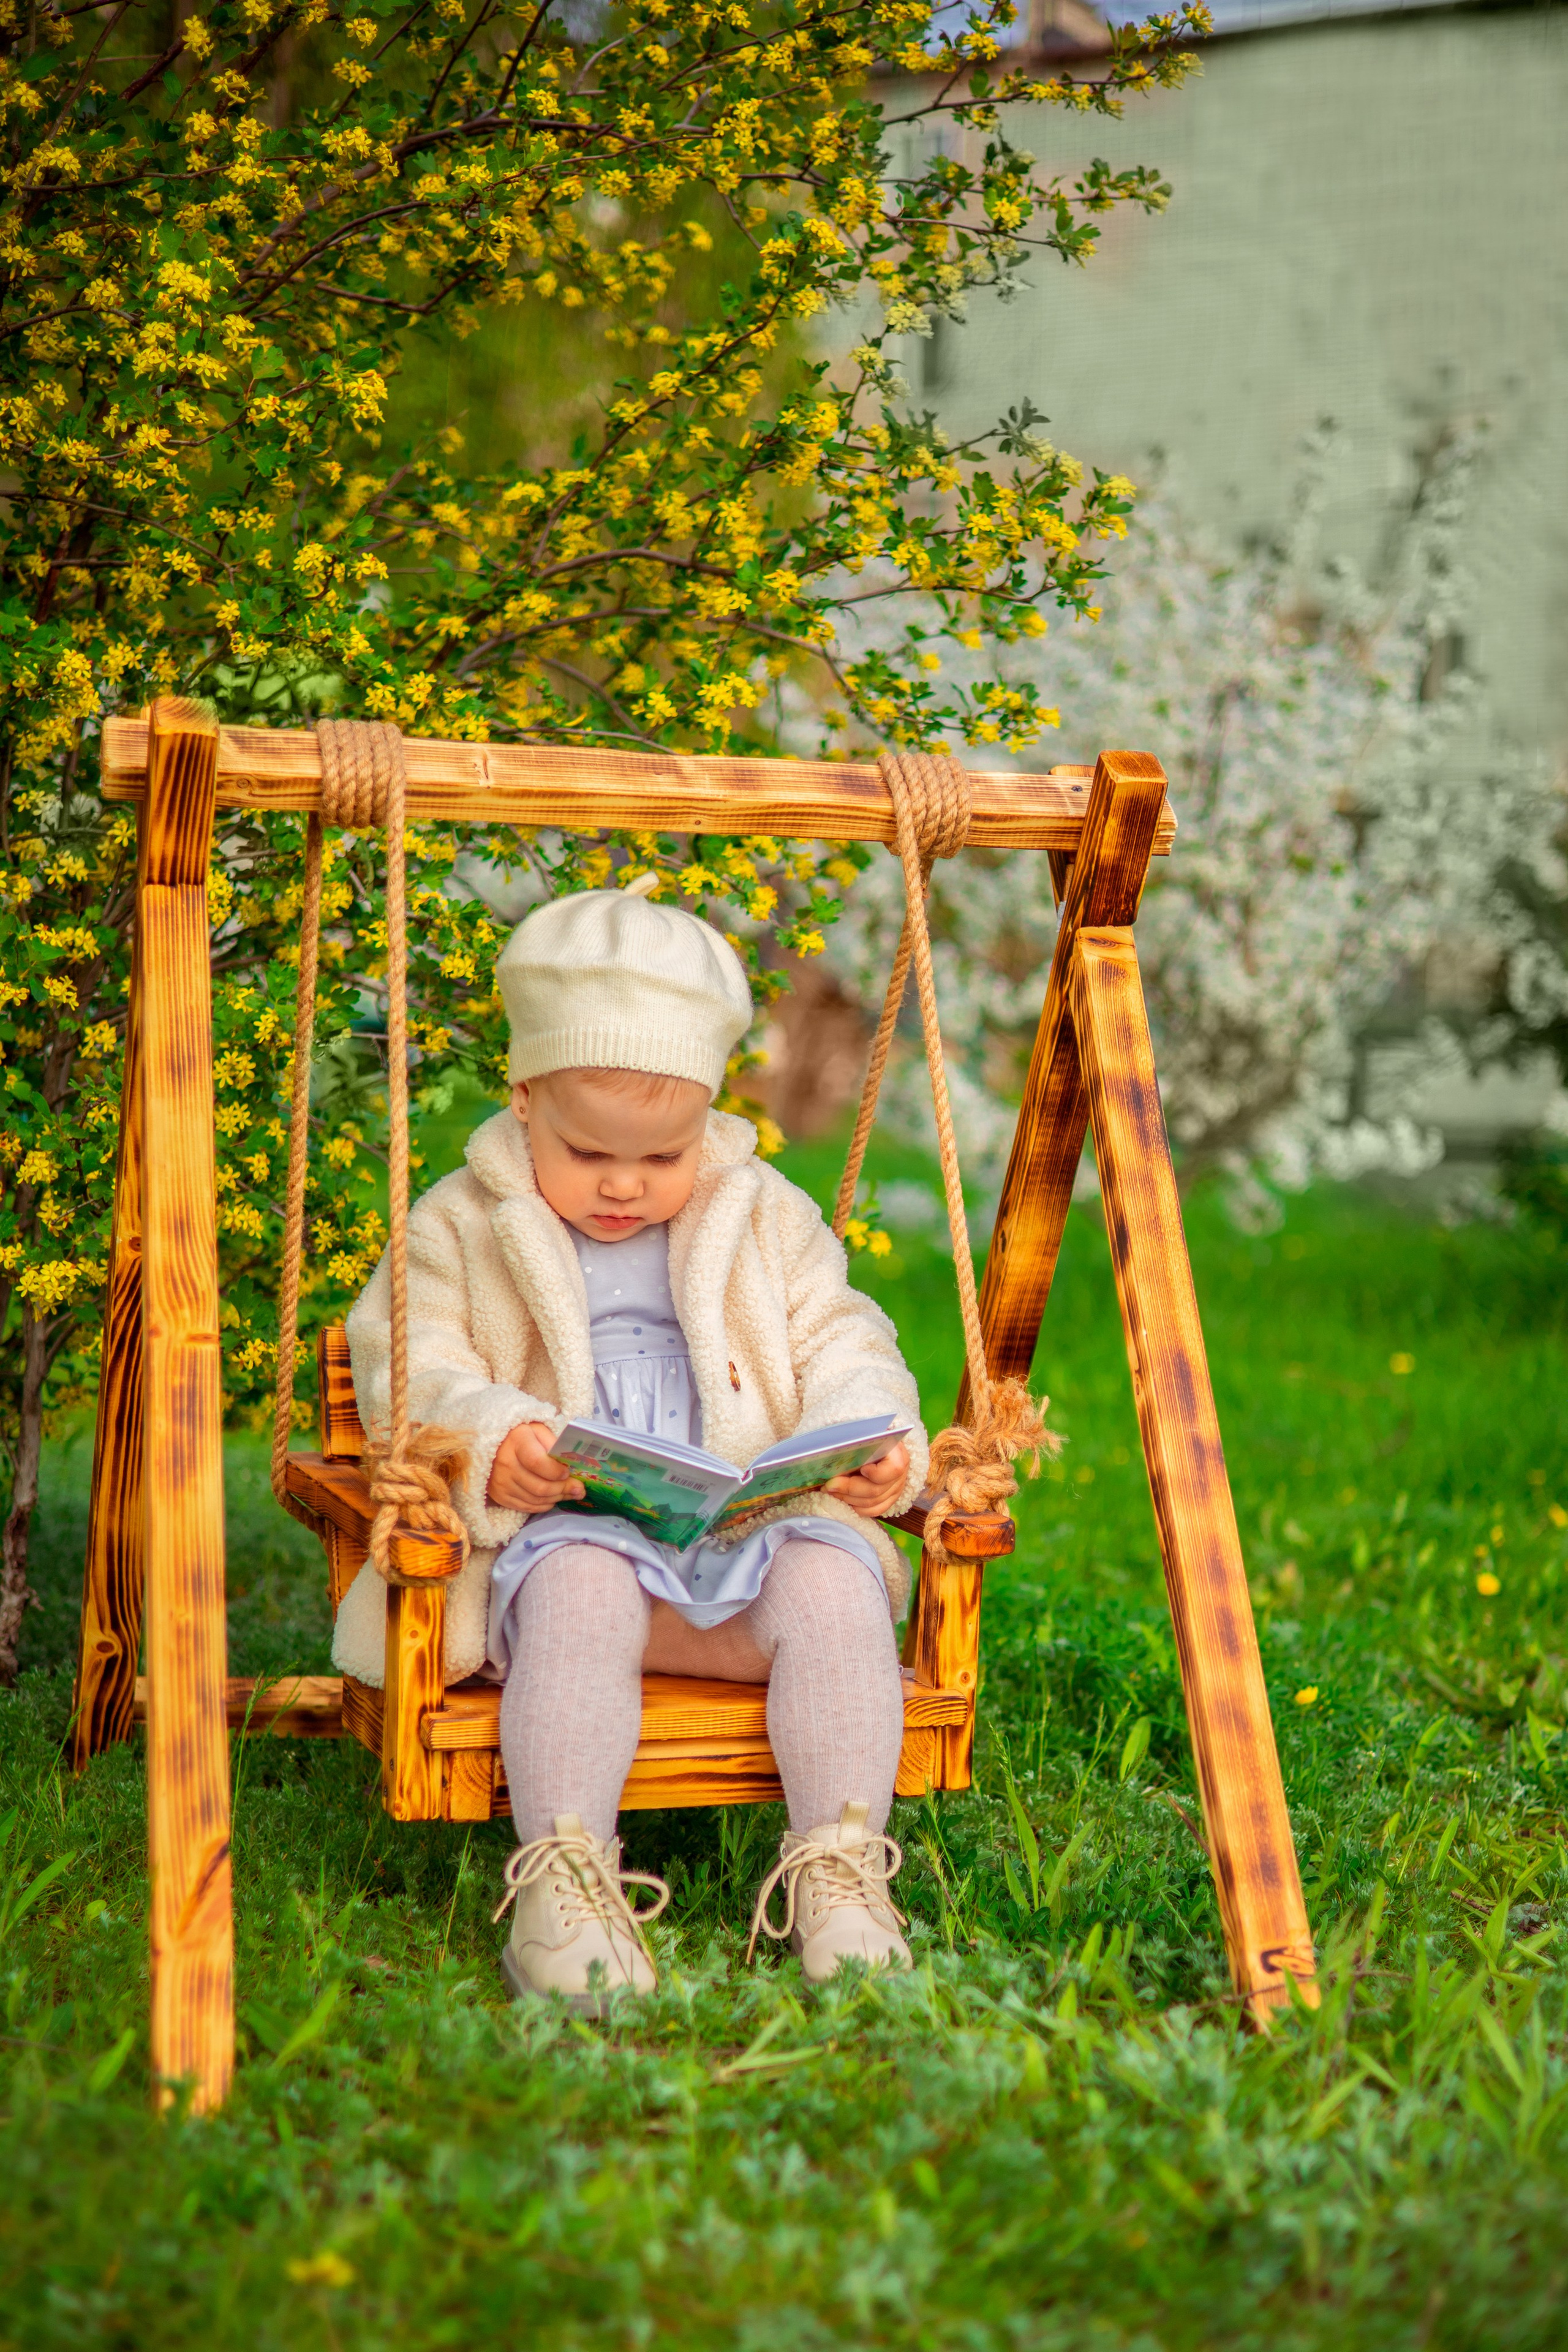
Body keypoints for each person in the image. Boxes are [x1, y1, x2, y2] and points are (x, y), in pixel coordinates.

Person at [335, 880, 929, 2011]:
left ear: (710, 1120)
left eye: (663, 1158)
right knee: (582, 1585)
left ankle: (840, 1868)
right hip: (574, 1556)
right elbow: (411, 1364)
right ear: (521, 1104)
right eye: (589, 1151)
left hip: (742, 1554)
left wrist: (872, 1438)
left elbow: (842, 1333)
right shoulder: (461, 1222)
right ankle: (565, 1872)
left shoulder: (764, 1214)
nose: (623, 1184)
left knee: (836, 1587)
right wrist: (495, 1438)